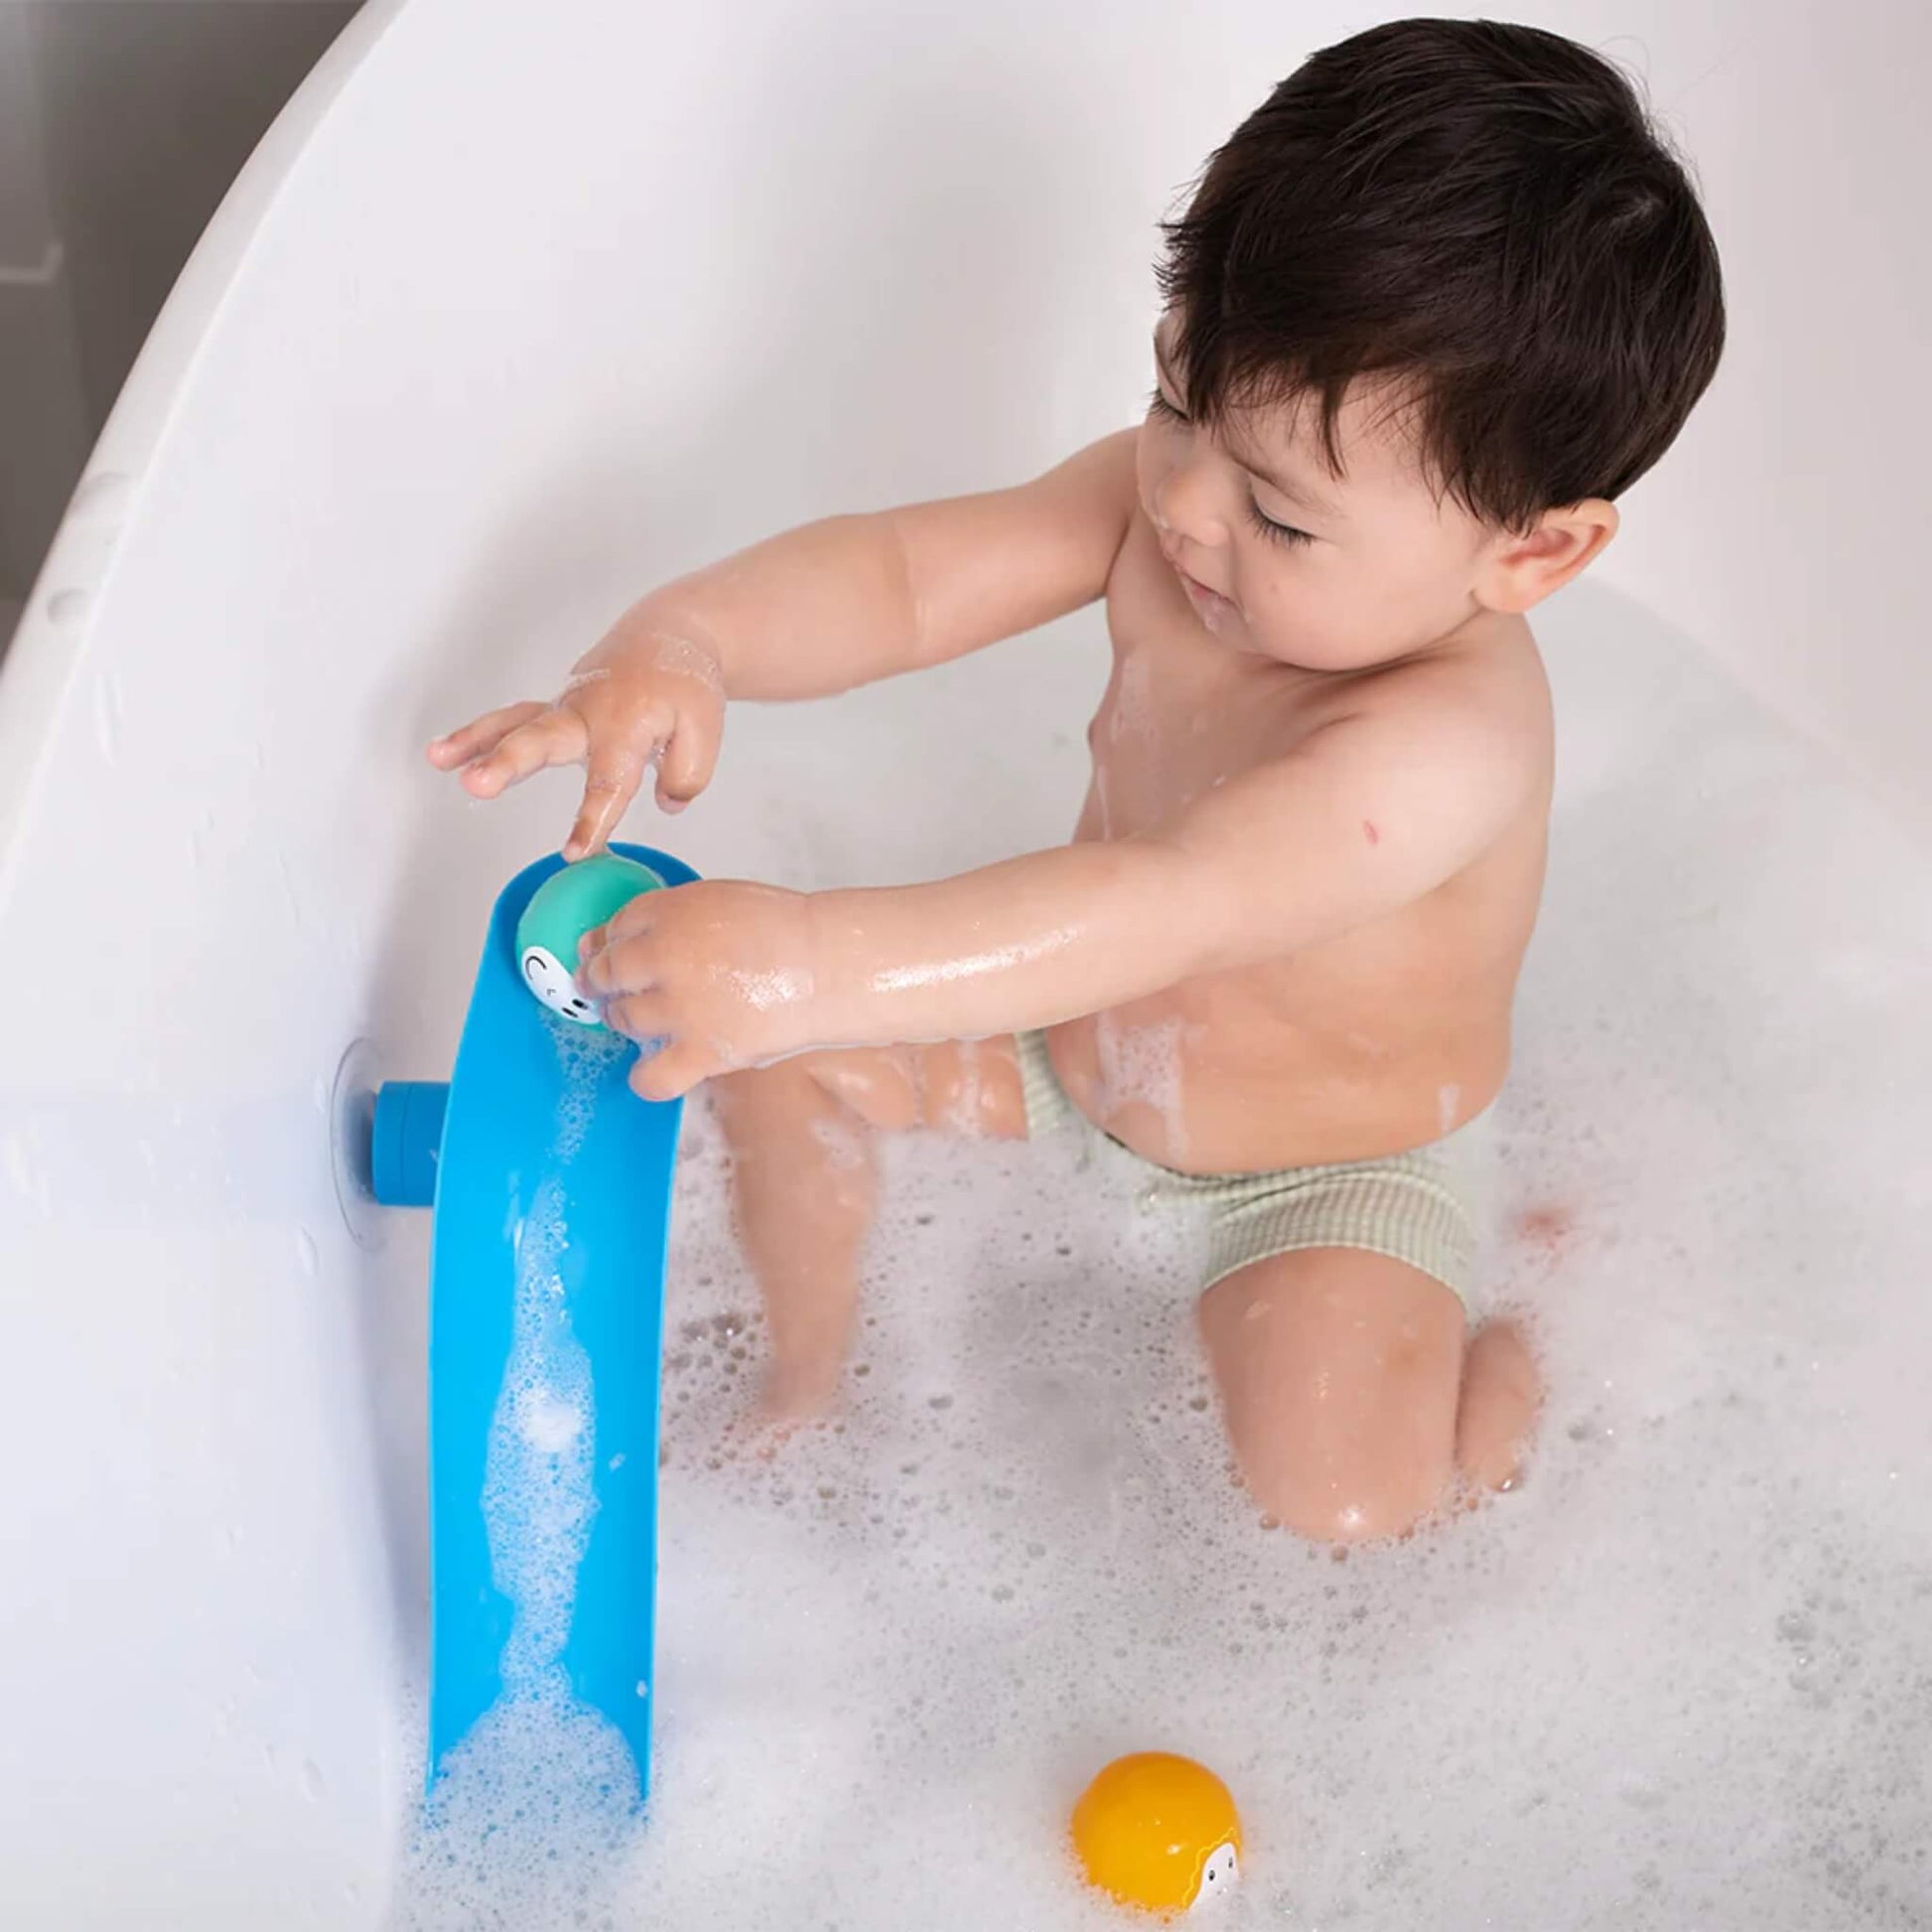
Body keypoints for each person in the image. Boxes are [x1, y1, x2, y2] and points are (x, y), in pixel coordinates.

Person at [429, 19, 1724, 1543]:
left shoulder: (1441, 745)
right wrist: (685, 640)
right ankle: (801, 1385)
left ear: (1533, 552)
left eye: (1282, 518)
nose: (1179, 505)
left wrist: (810, 956)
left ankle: (1515, 1348)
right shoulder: (1192, 512)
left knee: (1347, 1510)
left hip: (1318, 1175)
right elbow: (909, 579)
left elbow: (1163, 902)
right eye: (1177, 401)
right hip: (1071, 1056)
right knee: (768, 1063)